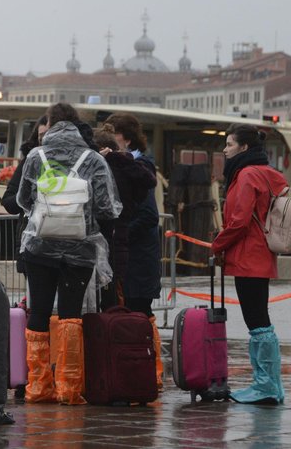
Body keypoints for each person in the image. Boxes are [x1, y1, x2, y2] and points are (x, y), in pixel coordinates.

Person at [16, 102, 121, 405]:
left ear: (49, 124)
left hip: (39, 246)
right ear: (77, 125)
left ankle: (38, 386)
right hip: (80, 249)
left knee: (38, 312)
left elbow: (23, 200)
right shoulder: (93, 159)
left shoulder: (36, 156)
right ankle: (69, 388)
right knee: (71, 314)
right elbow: (107, 207)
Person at [210, 122, 286, 405]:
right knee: (260, 320)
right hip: (261, 254)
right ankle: (271, 384)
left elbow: (238, 221)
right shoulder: (266, 173)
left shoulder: (245, 176)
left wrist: (217, 244)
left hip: (247, 256)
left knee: (256, 321)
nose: (225, 149)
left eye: (229, 144)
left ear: (243, 147)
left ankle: (265, 385)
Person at [103, 112, 164, 389]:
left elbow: (150, 215)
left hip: (138, 258)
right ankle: (135, 372)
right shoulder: (127, 164)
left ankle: (149, 373)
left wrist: (121, 233)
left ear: (125, 138)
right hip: (134, 256)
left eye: (112, 132)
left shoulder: (140, 167)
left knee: (139, 313)